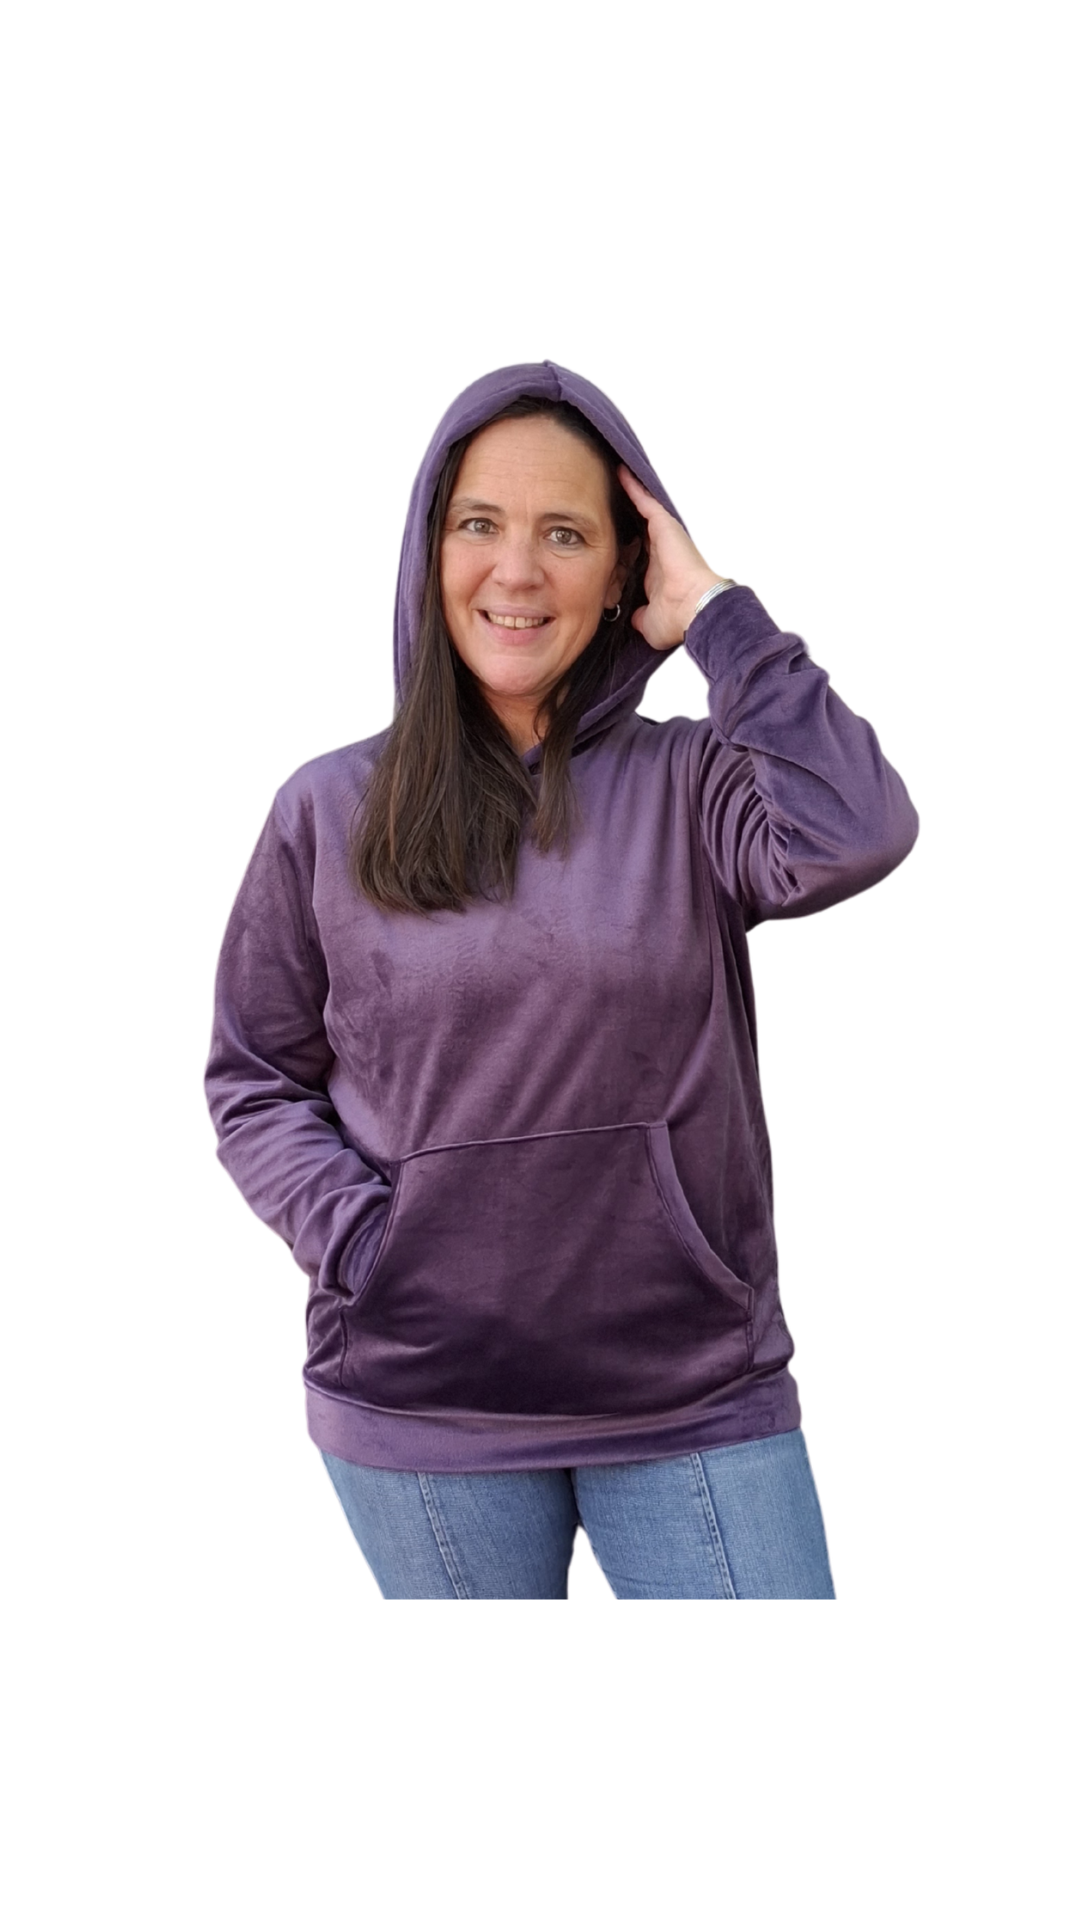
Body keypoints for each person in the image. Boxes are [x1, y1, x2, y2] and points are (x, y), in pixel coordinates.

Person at [204, 360, 919, 1600]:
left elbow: (858, 828)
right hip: (425, 1406)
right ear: (429, 552)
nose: (518, 571)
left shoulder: (696, 785)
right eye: (478, 524)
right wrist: (368, 1242)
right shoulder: (327, 809)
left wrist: (719, 616)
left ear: (624, 571)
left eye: (566, 534)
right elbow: (254, 1078)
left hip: (692, 1391)